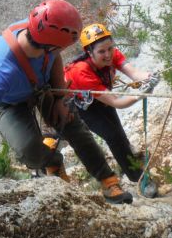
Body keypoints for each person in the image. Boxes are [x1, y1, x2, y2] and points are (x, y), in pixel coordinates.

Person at [0, 0, 133, 204]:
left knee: (74, 126)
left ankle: (107, 180)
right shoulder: (0, 73)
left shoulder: (39, 30)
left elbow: (55, 57)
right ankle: (52, 161)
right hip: (11, 103)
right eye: (59, 47)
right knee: (29, 150)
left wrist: (60, 97)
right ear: (50, 46)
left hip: (43, 86)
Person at [64, 23, 159, 192]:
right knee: (113, 136)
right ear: (89, 52)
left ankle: (128, 156)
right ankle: (138, 178)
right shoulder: (81, 72)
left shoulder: (112, 53)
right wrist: (140, 95)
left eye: (110, 48)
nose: (108, 54)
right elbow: (116, 102)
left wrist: (149, 77)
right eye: (101, 51)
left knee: (118, 132)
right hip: (81, 106)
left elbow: (134, 74)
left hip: (99, 95)